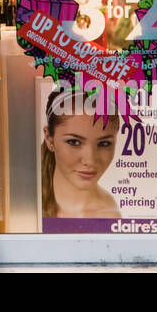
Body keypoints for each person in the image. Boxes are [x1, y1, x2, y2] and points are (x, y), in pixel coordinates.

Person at [41, 84, 122, 221]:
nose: (90, 161)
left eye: (104, 144)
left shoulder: (110, 217)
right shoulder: (23, 204)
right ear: (49, 138)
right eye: (74, 142)